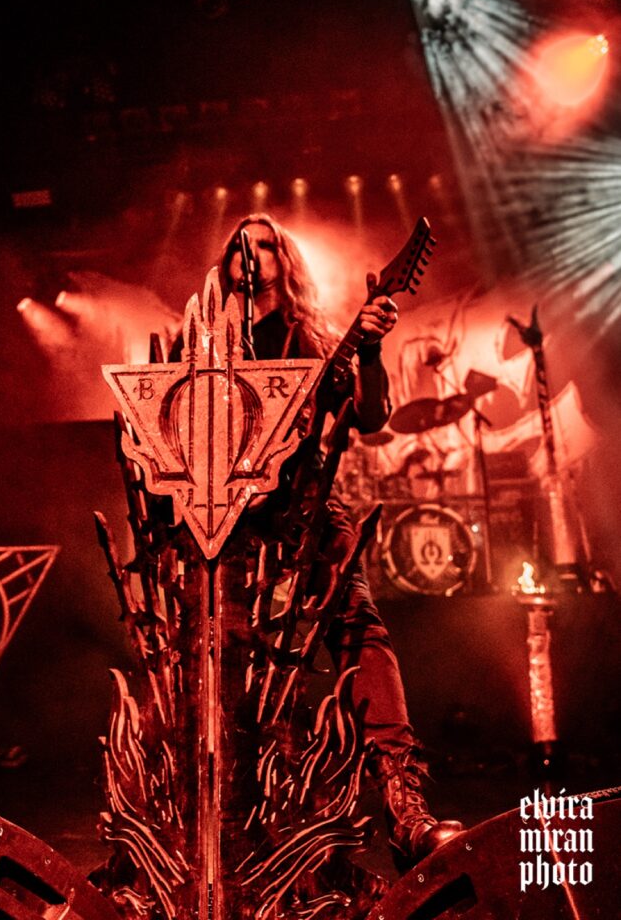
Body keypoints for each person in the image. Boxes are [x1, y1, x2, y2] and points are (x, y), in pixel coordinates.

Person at [196, 213, 462, 870]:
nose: (250, 252)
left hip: (314, 513)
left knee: (359, 633)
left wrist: (368, 350)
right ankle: (268, 816)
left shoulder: (314, 340)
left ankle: (404, 808)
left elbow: (371, 418)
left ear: (284, 260)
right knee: (244, 669)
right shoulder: (202, 345)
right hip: (233, 526)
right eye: (238, 244)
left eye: (264, 243)